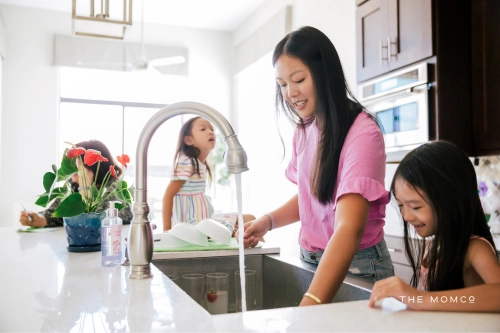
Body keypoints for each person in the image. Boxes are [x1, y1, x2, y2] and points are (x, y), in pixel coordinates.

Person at [237, 26, 394, 306]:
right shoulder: (305, 127)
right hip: (311, 260)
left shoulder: (362, 134)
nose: (290, 93)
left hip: (357, 265)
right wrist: (267, 222)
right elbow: (313, 197)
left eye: (298, 79)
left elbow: (349, 228)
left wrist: (311, 301)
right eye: (282, 84)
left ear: (325, 74)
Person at [368, 141, 500, 312]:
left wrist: (419, 298)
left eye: (416, 206)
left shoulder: (474, 248)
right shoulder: (434, 245)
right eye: (401, 205)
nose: (407, 216)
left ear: (450, 200)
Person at [162, 116, 255, 232]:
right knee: (249, 225)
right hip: (192, 226)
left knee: (250, 221)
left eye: (212, 129)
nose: (210, 132)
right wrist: (167, 229)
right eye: (203, 129)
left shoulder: (200, 164)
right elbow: (168, 195)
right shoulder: (187, 162)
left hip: (202, 221)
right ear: (188, 140)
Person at [19, 140, 133, 227]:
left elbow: (125, 215)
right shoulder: (73, 185)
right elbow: (56, 213)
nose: (73, 176)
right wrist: (39, 219)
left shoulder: (112, 186)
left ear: (92, 168)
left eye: (77, 168)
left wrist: (86, 189)